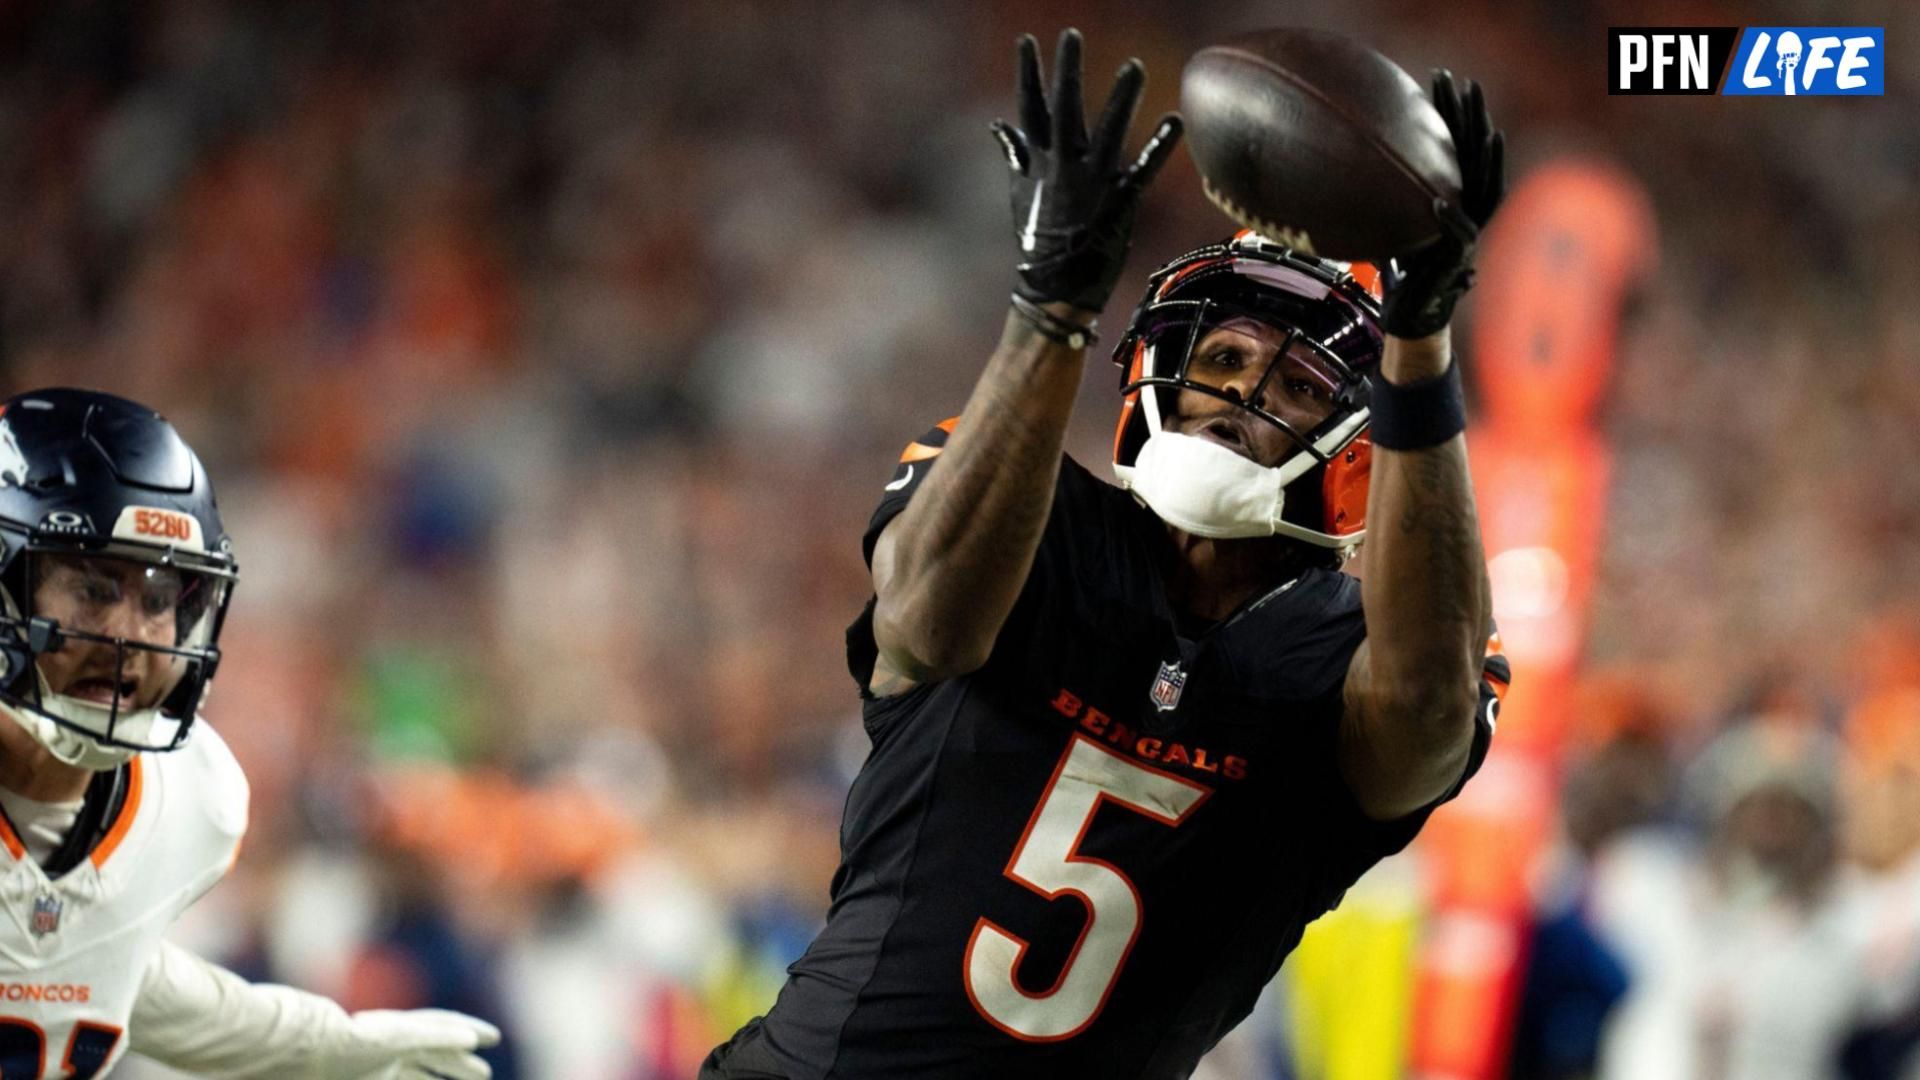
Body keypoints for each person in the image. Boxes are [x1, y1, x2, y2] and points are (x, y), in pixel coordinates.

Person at [701, 28, 1508, 1080]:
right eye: (1220, 358)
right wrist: (1052, 304)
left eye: (1300, 385)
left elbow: (1424, 720)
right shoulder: (1034, 511)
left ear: (1363, 455)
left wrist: (1421, 343)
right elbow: (928, 621)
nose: (1240, 398)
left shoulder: (1364, 644)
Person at [0, 388, 500, 1079]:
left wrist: (321, 1043)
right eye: (93, 588)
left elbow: (92, 965)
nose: (132, 637)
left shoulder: (191, 797)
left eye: (158, 599)